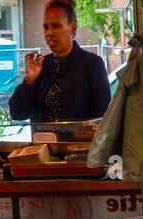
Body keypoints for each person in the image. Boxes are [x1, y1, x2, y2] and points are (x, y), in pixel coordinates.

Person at [8, 0, 111, 130]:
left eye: (55, 26)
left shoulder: (91, 64)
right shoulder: (40, 66)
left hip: (79, 147)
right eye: (46, 27)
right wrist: (29, 80)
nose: (49, 33)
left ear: (72, 28)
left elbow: (103, 120)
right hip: (42, 148)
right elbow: (17, 113)